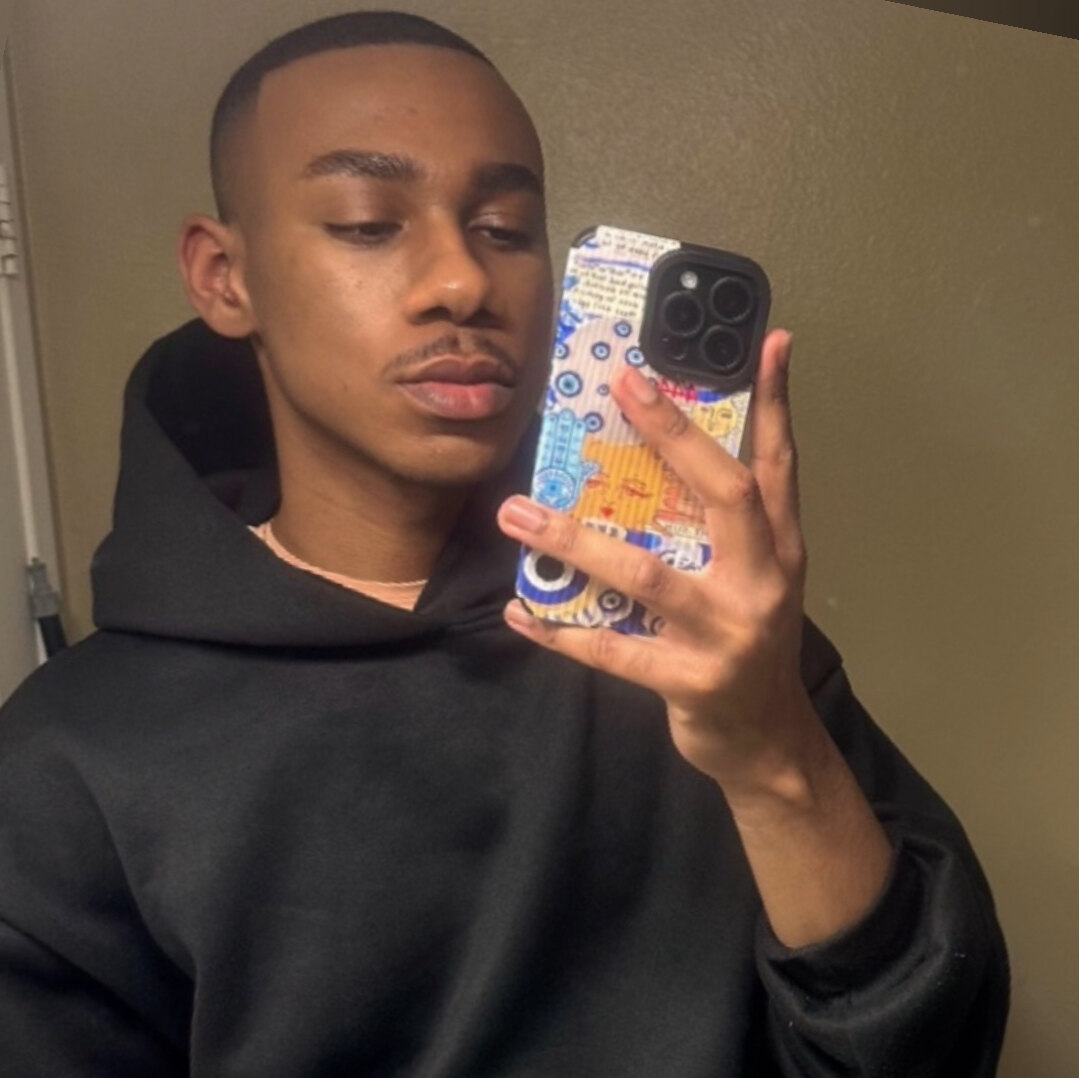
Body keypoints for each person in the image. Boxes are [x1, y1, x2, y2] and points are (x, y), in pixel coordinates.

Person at [0, 11, 1008, 1076]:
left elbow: (934, 1050)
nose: (462, 283)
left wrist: (774, 754)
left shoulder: (707, 636)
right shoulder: (72, 762)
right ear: (223, 276)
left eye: (504, 228)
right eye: (366, 223)